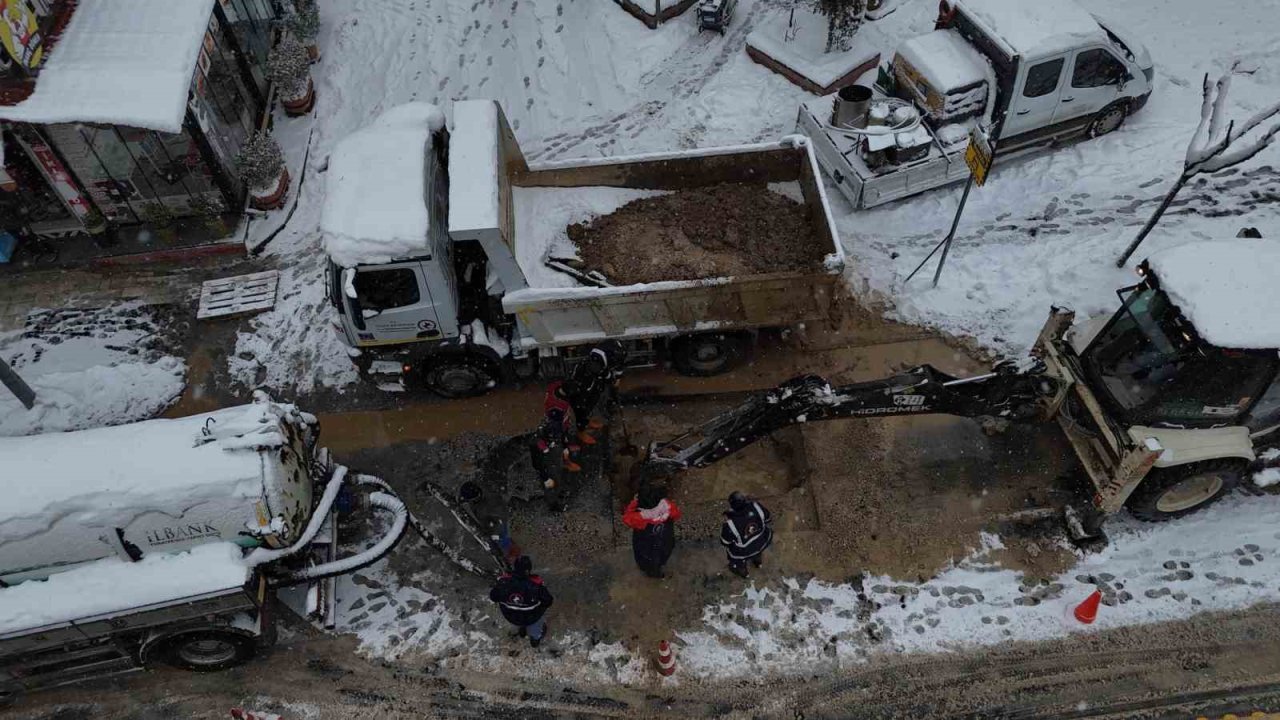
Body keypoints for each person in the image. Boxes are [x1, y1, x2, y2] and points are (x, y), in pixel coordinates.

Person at [560, 341, 626, 446]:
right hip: (583, 387)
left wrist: (617, 379)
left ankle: (586, 421)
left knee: (593, 399)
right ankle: (581, 430)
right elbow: (604, 374)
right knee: (582, 407)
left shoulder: (617, 351)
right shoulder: (587, 370)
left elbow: (619, 367)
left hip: (596, 380)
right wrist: (610, 378)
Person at [488, 555, 554, 647]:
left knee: (519, 612)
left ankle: (522, 629)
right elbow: (548, 601)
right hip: (532, 617)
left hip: (511, 616)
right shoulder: (535, 586)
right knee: (535, 625)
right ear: (528, 570)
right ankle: (535, 641)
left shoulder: (503, 583)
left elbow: (493, 597)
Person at [621, 484, 682, 579]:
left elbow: (626, 519)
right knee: (661, 555)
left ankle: (654, 574)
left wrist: (633, 503)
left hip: (645, 544)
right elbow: (676, 514)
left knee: (647, 560)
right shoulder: (668, 506)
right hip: (664, 539)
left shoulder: (639, 518)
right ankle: (659, 568)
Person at [458, 481, 519, 564]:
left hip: (498, 522)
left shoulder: (490, 505)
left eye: (470, 500)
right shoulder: (479, 491)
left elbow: (502, 519)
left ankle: (514, 560)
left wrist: (490, 533)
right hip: (490, 518)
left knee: (504, 539)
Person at [720, 492, 773, 578]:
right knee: (757, 548)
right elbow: (768, 519)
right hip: (763, 541)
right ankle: (757, 561)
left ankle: (743, 571)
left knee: (736, 555)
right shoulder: (756, 507)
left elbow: (724, 542)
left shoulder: (730, 524)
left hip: (744, 551)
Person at [529, 409, 571, 510]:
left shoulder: (557, 428)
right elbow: (537, 461)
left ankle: (559, 491)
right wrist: (545, 477)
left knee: (559, 476)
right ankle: (553, 504)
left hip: (556, 458)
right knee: (551, 483)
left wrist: (565, 448)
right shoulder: (541, 436)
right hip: (548, 462)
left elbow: (562, 436)